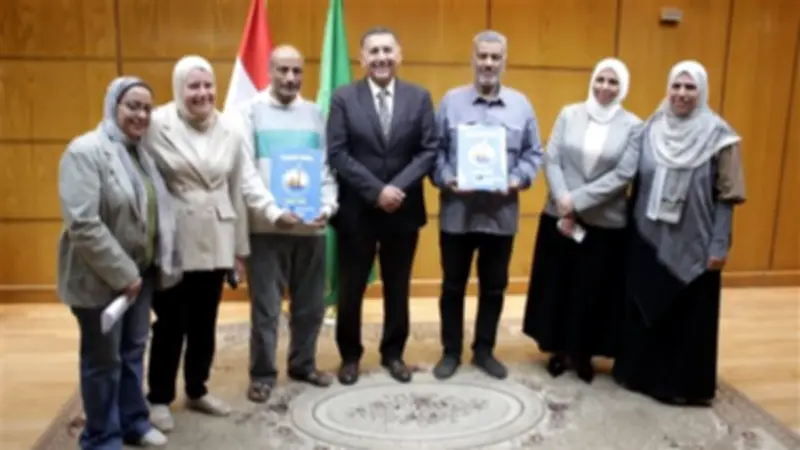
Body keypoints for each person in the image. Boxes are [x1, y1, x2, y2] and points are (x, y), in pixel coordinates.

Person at [144, 55, 282, 431]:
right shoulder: (156, 124)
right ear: (179, 88)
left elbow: (236, 190)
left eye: (208, 86)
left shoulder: (230, 128)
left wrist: (240, 251)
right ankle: (159, 398)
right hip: (173, 240)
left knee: (205, 322)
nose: (203, 93)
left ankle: (197, 388)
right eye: (194, 86)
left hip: (217, 237)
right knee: (171, 322)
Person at [612, 60, 746, 406]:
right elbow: (631, 180)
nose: (682, 94)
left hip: (694, 242)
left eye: (690, 87)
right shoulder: (650, 128)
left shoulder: (720, 137)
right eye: (676, 86)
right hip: (647, 237)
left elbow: (727, 197)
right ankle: (637, 374)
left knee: (685, 315)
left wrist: (719, 244)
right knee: (645, 304)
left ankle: (678, 386)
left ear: (702, 91)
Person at [57, 76, 179, 449]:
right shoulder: (85, 151)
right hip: (100, 280)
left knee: (132, 352)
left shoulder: (142, 154)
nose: (141, 115)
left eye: (147, 108)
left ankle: (133, 422)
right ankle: (101, 437)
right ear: (113, 106)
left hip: (139, 277)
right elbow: (83, 224)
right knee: (103, 362)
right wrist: (124, 274)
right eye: (132, 106)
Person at [326, 26, 438, 385]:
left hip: (403, 211)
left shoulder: (419, 97)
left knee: (397, 286)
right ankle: (350, 356)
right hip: (357, 212)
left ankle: (393, 353)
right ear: (362, 58)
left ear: (399, 55)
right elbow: (338, 152)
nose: (381, 57)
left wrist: (396, 189)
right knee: (351, 288)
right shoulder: (344, 98)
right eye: (373, 51)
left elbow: (428, 150)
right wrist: (377, 191)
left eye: (387, 50)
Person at [430, 30, 543, 380]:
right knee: (453, 286)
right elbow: (434, 151)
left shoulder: (521, 105)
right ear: (473, 58)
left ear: (505, 61)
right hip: (457, 215)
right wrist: (447, 177)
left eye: (495, 57)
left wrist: (517, 179)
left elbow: (534, 153)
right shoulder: (451, 102)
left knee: (494, 287)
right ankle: (451, 351)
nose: (488, 63)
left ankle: (484, 350)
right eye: (483, 56)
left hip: (500, 216)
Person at [522, 58, 641, 383]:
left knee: (593, 291)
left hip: (604, 224)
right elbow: (552, 157)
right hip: (560, 217)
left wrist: (577, 200)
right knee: (559, 285)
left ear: (623, 87)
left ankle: (584, 353)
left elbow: (624, 174)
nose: (605, 87)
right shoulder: (569, 113)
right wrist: (563, 198)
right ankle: (558, 349)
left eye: (613, 82)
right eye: (600, 79)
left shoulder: (633, 126)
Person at [230, 45, 338, 403]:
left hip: (311, 228)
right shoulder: (248, 113)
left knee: (311, 307)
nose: (291, 78)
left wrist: (327, 206)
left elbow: (326, 169)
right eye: (283, 70)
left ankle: (303, 364)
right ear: (269, 71)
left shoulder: (314, 114)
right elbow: (245, 174)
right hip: (267, 229)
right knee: (266, 310)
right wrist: (275, 212)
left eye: (297, 71)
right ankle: (262, 374)